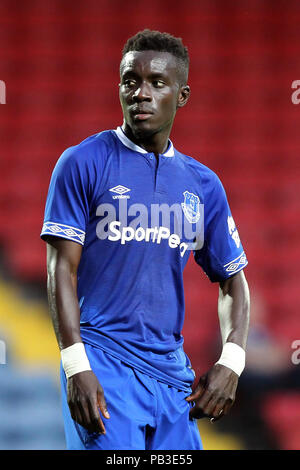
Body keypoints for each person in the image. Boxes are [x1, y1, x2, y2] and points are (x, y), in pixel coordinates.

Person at [41, 29, 250, 450]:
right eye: (130, 81)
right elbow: (61, 267)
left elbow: (234, 282)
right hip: (103, 365)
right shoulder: (82, 162)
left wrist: (232, 361)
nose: (140, 93)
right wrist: (75, 365)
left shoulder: (203, 185)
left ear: (183, 94)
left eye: (157, 83)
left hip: (173, 379)